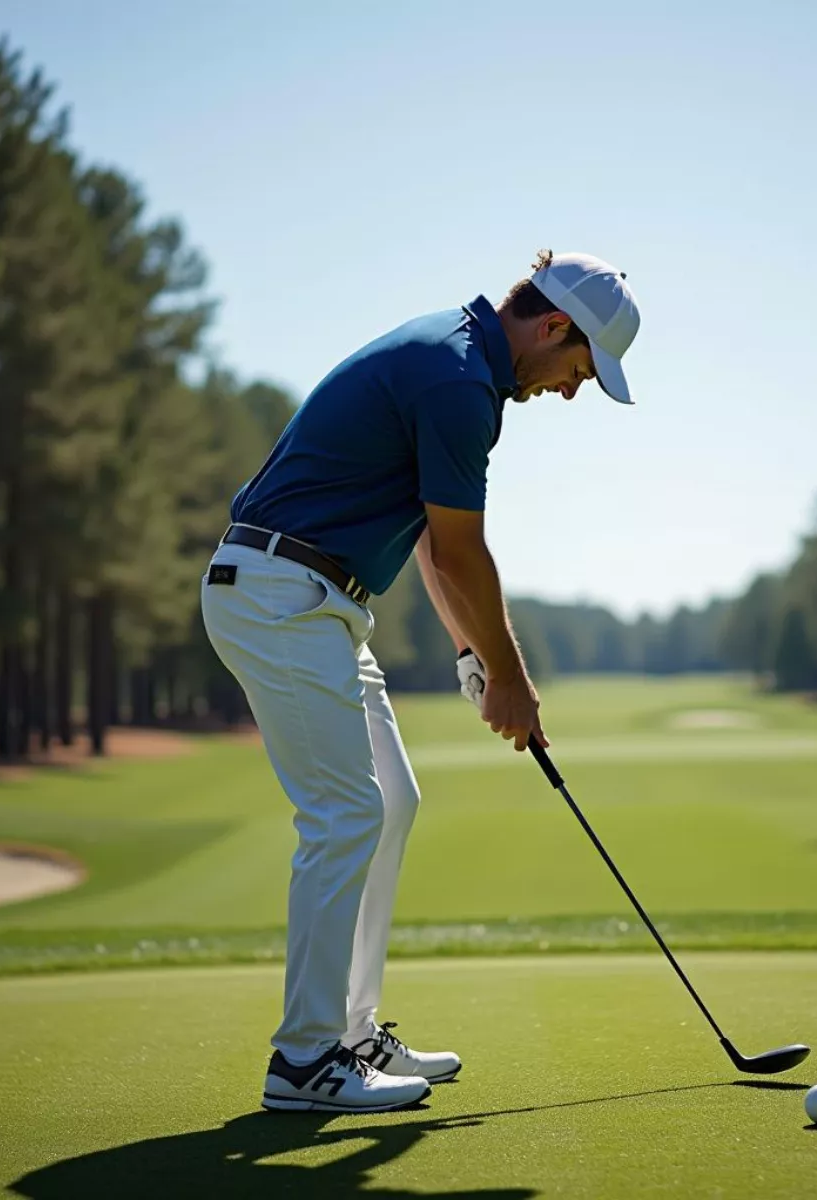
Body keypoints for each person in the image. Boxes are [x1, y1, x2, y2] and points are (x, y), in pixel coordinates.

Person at [200, 250, 641, 1113]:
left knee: (391, 802)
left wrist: (477, 658)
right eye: (579, 369)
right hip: (280, 593)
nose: (570, 390)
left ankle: (352, 1035)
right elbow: (464, 551)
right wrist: (512, 679)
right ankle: (304, 1062)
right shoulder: (457, 381)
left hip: (319, 600)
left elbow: (438, 550)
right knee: (346, 812)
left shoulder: (458, 357)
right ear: (553, 327)